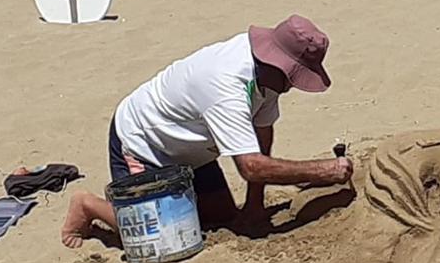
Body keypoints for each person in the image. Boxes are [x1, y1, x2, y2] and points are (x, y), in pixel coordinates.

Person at [60, 17, 352, 248]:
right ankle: (88, 206)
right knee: (161, 240)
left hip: (192, 147)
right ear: (277, 62)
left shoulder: (269, 74)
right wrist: (323, 171)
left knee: (220, 217)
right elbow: (251, 166)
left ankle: (175, 196)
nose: (292, 85)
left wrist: (254, 205)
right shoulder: (226, 83)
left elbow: (262, 134)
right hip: (144, 142)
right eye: (294, 76)